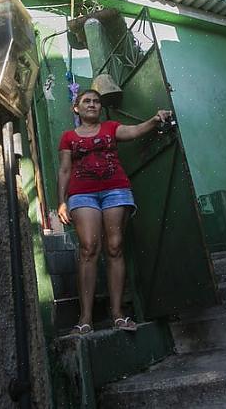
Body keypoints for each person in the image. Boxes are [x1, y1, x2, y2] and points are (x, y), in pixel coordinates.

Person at [57, 88, 172, 334]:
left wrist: (153, 119)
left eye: (96, 102)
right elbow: (65, 170)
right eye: (86, 101)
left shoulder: (111, 128)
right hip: (82, 194)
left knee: (115, 246)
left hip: (115, 190)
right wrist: (61, 201)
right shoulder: (68, 137)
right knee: (89, 247)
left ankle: (118, 314)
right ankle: (85, 318)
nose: (92, 105)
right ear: (76, 108)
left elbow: (133, 131)